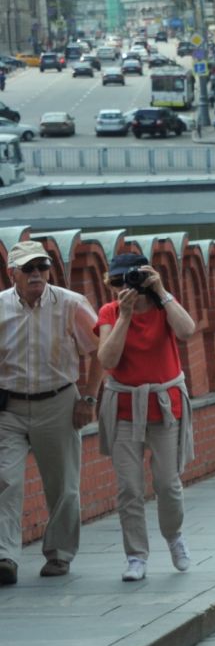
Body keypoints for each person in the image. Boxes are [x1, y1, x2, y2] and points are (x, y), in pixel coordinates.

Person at [0, 240, 99, 584]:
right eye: (28, 269)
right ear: (11, 273)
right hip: (8, 407)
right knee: (5, 481)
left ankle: (59, 554)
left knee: (64, 486)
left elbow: (100, 349)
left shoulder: (70, 304)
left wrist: (87, 399)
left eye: (42, 267)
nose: (37, 274)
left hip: (58, 403)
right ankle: (5, 556)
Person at [96, 253, 198, 582]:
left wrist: (162, 290)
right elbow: (107, 358)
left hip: (165, 407)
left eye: (133, 279)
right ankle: (136, 555)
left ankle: (174, 536)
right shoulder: (110, 312)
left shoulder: (162, 307)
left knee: (168, 484)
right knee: (129, 488)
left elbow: (188, 331)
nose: (128, 287)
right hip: (125, 409)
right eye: (120, 282)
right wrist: (124, 317)